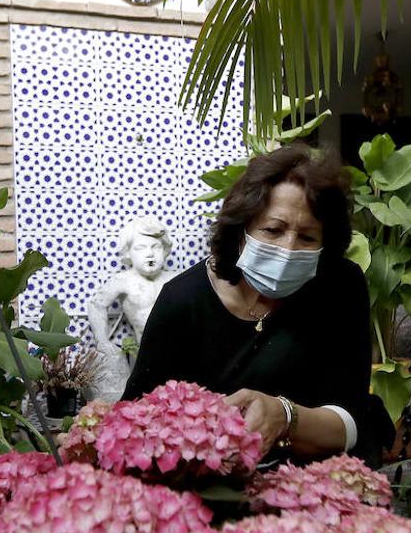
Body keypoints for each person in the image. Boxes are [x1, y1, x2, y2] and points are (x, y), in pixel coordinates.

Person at [123, 145, 392, 463]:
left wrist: (286, 417)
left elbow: (350, 420)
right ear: (241, 230)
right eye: (273, 230)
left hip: (315, 484)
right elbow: (135, 421)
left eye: (307, 237)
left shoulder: (339, 286)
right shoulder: (183, 301)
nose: (288, 247)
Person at [86, 215, 176, 401]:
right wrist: (102, 340)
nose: (150, 254)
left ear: (165, 250)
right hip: (141, 356)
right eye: (141, 248)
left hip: (176, 356)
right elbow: (97, 305)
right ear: (128, 253)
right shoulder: (124, 281)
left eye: (156, 247)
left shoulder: (175, 279)